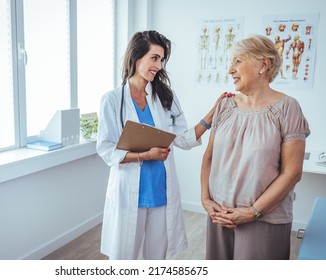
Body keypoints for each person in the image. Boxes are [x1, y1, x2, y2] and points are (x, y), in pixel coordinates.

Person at [96, 30, 231, 260]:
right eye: (154, 58)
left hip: (160, 189)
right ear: (136, 56)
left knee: (157, 258)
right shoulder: (112, 100)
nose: (159, 65)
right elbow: (106, 148)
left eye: (162, 59)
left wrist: (212, 114)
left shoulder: (164, 96)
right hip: (129, 191)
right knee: (123, 258)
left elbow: (183, 138)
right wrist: (144, 155)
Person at [200, 34, 310, 260]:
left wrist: (253, 212)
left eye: (238, 62)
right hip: (219, 216)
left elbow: (292, 173)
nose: (231, 70)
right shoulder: (224, 105)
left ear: (263, 64)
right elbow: (209, 158)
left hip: (264, 218)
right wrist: (205, 200)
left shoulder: (288, 108)